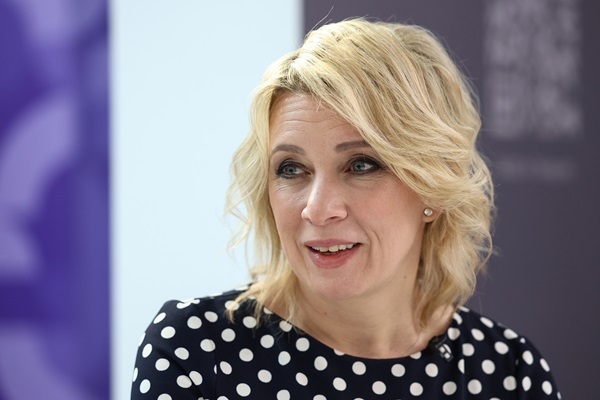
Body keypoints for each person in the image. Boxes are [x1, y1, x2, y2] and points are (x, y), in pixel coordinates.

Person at [131, 19, 560, 399]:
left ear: (432, 186)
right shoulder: (195, 354)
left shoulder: (510, 375)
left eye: (360, 165)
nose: (317, 210)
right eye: (291, 169)